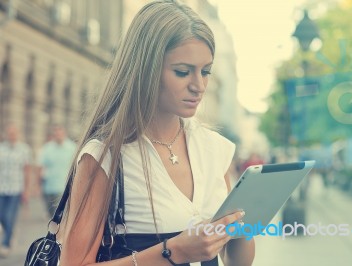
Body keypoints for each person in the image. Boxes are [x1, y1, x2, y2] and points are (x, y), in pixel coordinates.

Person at [59, 1, 255, 265]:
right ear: (146, 69)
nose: (198, 86)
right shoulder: (104, 155)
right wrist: (175, 251)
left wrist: (243, 224)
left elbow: (237, 261)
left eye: (205, 71)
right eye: (183, 72)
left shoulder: (214, 148)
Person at [0, 123, 32, 258]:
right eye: (9, 133)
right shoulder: (1, 148)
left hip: (16, 189)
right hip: (1, 188)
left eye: (14, 133)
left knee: (9, 216)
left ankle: (6, 244)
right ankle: (10, 232)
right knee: (2, 215)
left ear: (17, 134)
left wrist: (26, 190)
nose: (11, 136)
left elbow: (27, 171)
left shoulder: (24, 149)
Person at [39, 125, 76, 217]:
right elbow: (41, 166)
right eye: (56, 133)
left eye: (60, 133)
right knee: (51, 212)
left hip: (64, 186)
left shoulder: (72, 148)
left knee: (59, 213)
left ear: (65, 134)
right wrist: (38, 184)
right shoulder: (47, 148)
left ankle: (58, 229)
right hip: (49, 186)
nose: (58, 135)